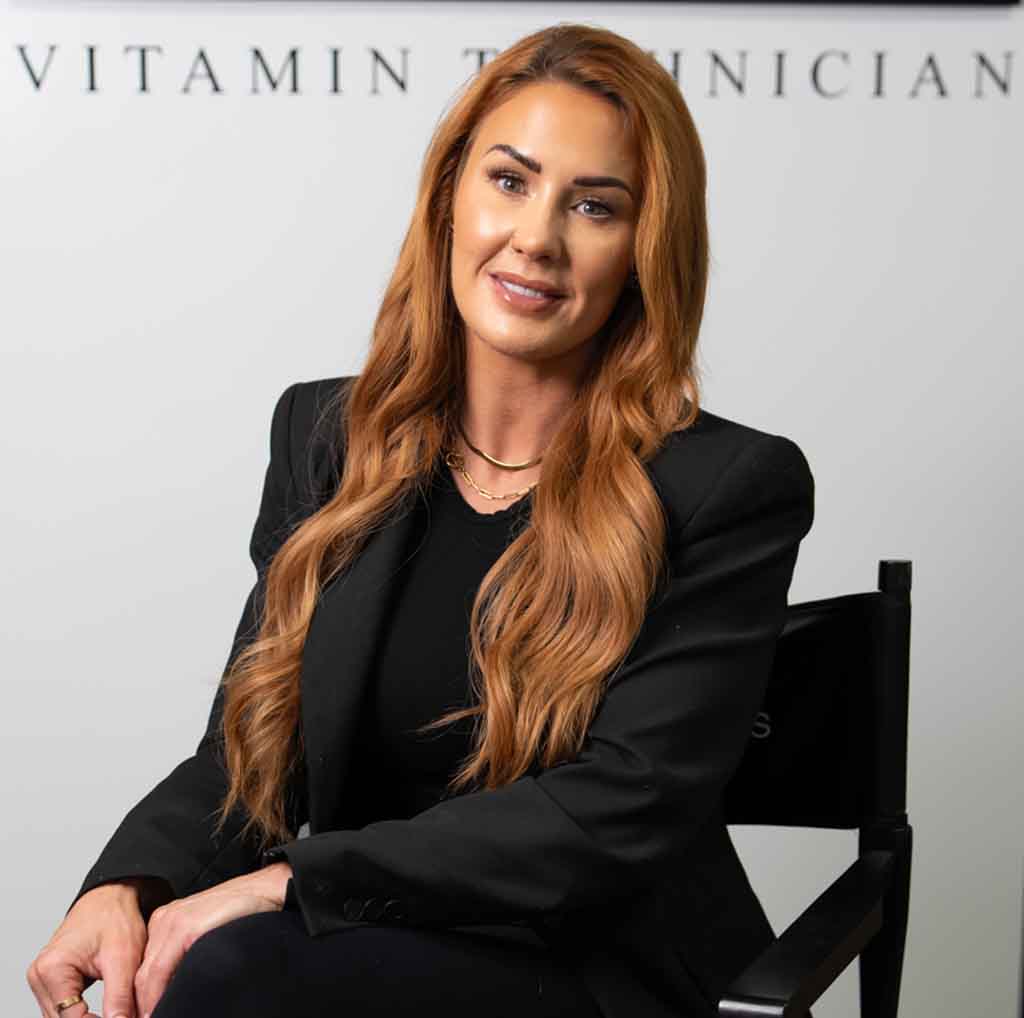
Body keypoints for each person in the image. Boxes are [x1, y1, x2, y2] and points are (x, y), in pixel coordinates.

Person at [27, 22, 815, 1018]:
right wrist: (129, 883)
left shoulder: (724, 486)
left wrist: (293, 882)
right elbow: (251, 748)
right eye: (509, 181)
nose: (537, 236)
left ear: (643, 250)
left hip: (593, 968)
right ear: (449, 198)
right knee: (195, 962)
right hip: (366, 945)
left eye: (594, 205)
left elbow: (624, 806)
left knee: (227, 971)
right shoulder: (327, 436)